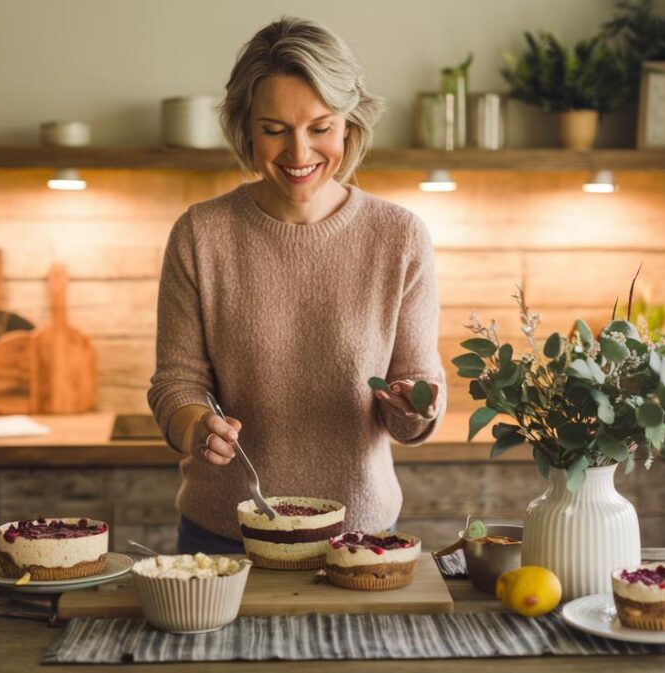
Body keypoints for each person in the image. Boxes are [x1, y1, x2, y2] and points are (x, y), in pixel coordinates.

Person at [147, 16, 446, 554]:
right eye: (275, 129)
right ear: (246, 130)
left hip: (358, 538)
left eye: (320, 127)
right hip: (225, 536)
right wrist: (196, 430)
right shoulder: (201, 234)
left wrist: (414, 405)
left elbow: (416, 393)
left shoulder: (399, 237)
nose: (300, 153)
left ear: (349, 125)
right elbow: (177, 384)